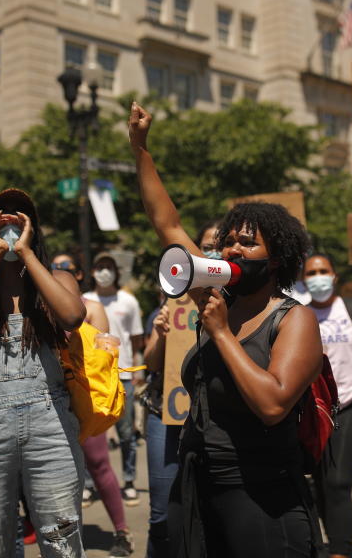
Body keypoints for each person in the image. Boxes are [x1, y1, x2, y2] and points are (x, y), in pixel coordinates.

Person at [129, 102, 324, 557]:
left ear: (275, 259)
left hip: (262, 491)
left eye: (247, 242)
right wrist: (140, 149)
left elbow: (274, 403)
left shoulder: (294, 319)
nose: (232, 248)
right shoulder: (217, 297)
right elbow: (168, 224)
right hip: (201, 480)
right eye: (227, 241)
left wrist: (220, 333)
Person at [0, 188, 88, 556]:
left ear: (34, 227)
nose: (9, 217)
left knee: (61, 540)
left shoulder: (58, 279)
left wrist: (23, 251)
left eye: (20, 212)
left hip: (50, 426)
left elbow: (72, 316)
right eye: (0, 212)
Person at [141, 221, 218, 558]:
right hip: (166, 414)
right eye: (206, 245)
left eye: (219, 245)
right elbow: (151, 364)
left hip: (215, 418)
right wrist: (159, 332)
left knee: (208, 509)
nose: (211, 252)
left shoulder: (242, 303)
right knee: (163, 511)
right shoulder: (172, 295)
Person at [51, 251, 135, 557]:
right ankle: (68, 538)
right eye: (55, 267)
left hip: (86, 398)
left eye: (66, 267)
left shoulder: (93, 307)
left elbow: (105, 353)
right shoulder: (43, 307)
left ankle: (123, 532)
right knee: (60, 473)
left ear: (79, 274)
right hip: (53, 399)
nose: (60, 270)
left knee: (99, 465)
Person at [303, 253, 352, 558]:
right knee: (319, 485)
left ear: (334, 276)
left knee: (336, 482)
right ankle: (329, 543)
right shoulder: (298, 314)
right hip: (313, 412)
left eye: (323, 270)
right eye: (311, 272)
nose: (318, 276)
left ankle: (340, 552)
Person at [83, 253, 145, 506]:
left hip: (124, 375)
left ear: (116, 271)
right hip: (93, 378)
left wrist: (137, 370)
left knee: (127, 432)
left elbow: (135, 339)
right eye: (100, 266)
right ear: (93, 271)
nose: (104, 271)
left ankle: (128, 481)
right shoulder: (85, 301)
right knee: (89, 433)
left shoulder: (128, 301)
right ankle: (88, 485)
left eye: (108, 267)